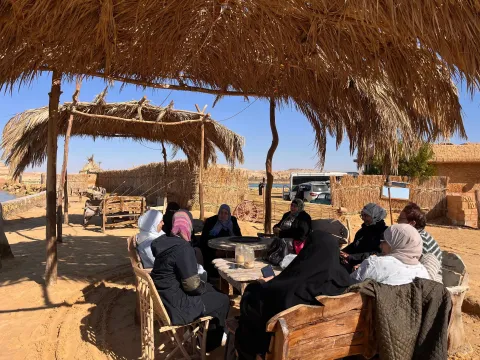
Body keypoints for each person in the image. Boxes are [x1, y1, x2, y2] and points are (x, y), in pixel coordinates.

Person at [235, 231, 357, 360]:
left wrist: (262, 284)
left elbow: (273, 295)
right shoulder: (344, 282)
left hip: (290, 349)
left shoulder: (299, 283)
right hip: (331, 346)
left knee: (252, 297)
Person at [150, 211, 229, 351]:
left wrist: (204, 287)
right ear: (188, 227)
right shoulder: (183, 248)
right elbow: (192, 285)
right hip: (179, 307)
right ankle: (210, 343)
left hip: (166, 299)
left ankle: (202, 335)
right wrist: (203, 287)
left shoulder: (164, 243)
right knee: (223, 299)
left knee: (212, 290)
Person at [351, 224, 430, 285]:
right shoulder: (423, 273)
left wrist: (362, 269)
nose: (380, 245)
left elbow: (350, 287)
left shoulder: (375, 264)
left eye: (384, 241)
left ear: (397, 243)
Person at [341, 203, 388, 271]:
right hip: (353, 263)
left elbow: (378, 253)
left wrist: (352, 257)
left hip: (369, 268)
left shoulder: (384, 233)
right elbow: (354, 245)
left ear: (375, 216)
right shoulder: (363, 230)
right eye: (362, 215)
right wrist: (342, 252)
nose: (363, 218)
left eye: (366, 215)